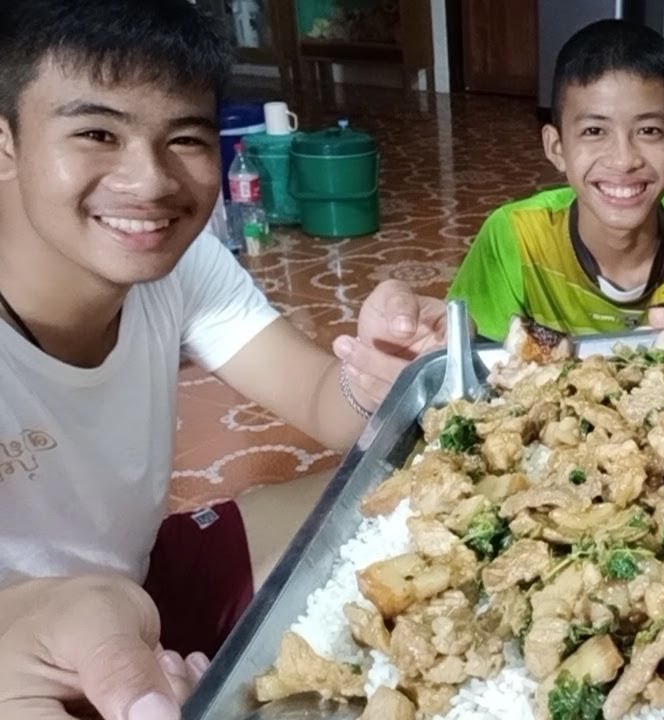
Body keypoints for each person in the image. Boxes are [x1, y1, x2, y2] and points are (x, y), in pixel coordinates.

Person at [0, 0, 445, 716]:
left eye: (184, 138)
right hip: (25, 655)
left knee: (402, 505)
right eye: (96, 133)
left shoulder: (182, 263)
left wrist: (376, 369)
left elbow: (321, 400)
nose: (149, 181)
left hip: (145, 581)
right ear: (6, 141)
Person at [447, 20, 664, 342]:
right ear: (556, 147)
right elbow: (470, 360)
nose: (624, 160)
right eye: (594, 131)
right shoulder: (515, 236)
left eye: (649, 130)